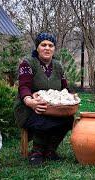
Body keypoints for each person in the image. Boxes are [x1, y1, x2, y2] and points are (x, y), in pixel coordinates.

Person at [14, 32, 73, 166]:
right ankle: (37, 152)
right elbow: (24, 87)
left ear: (54, 48)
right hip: (27, 107)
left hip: (53, 106)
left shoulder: (58, 66)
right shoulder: (27, 63)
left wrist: (71, 98)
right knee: (42, 117)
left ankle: (50, 150)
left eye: (50, 45)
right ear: (37, 47)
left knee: (69, 119)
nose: (47, 48)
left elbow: (65, 88)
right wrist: (30, 102)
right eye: (43, 45)